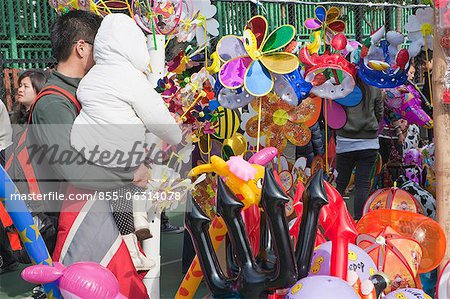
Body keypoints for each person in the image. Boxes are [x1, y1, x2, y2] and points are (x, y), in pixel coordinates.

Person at [22, 10, 148, 298]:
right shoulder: (54, 102)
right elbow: (74, 170)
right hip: (77, 222)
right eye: (101, 46)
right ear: (82, 48)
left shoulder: (88, 93)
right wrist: (130, 173)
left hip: (100, 214)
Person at [70, 13, 182, 260]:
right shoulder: (131, 78)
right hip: (123, 150)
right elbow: (158, 119)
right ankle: (137, 233)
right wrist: (176, 133)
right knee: (139, 175)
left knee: (120, 197)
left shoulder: (91, 77)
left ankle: (133, 243)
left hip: (87, 147)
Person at [335, 78, 384, 220]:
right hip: (368, 142)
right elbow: (379, 113)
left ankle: (334, 217)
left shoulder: (342, 85)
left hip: (345, 141)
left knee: (341, 183)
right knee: (362, 185)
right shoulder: (374, 85)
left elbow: (334, 114)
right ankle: (359, 220)